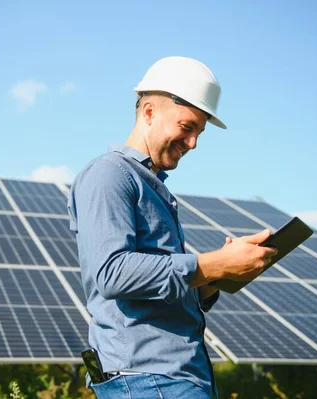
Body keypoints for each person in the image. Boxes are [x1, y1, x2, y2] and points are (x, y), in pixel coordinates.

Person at [67, 56, 278, 398]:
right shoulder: (109, 174)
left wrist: (213, 279)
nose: (193, 142)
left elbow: (154, 289)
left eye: (199, 132)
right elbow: (111, 273)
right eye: (186, 127)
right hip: (147, 379)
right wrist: (214, 264)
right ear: (149, 112)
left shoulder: (153, 185)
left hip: (175, 378)